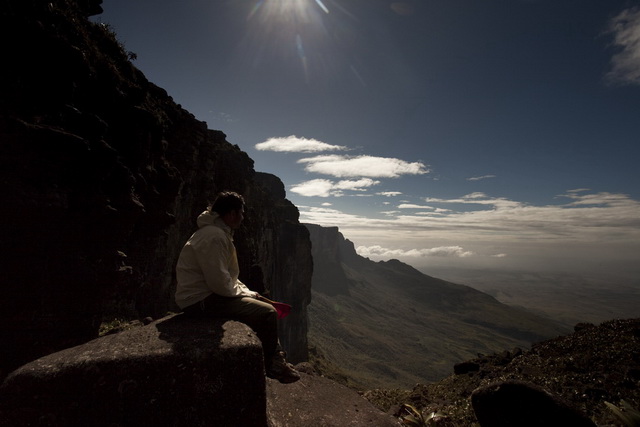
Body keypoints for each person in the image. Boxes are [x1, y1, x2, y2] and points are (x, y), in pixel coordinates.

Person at [175, 191, 300, 384]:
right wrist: (246, 293)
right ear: (231, 214)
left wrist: (250, 293)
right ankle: (273, 365)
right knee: (267, 313)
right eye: (241, 213)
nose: (243, 218)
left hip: (207, 295)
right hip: (200, 300)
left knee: (260, 306)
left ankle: (276, 356)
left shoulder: (216, 233)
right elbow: (219, 284)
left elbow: (228, 277)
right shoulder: (214, 237)